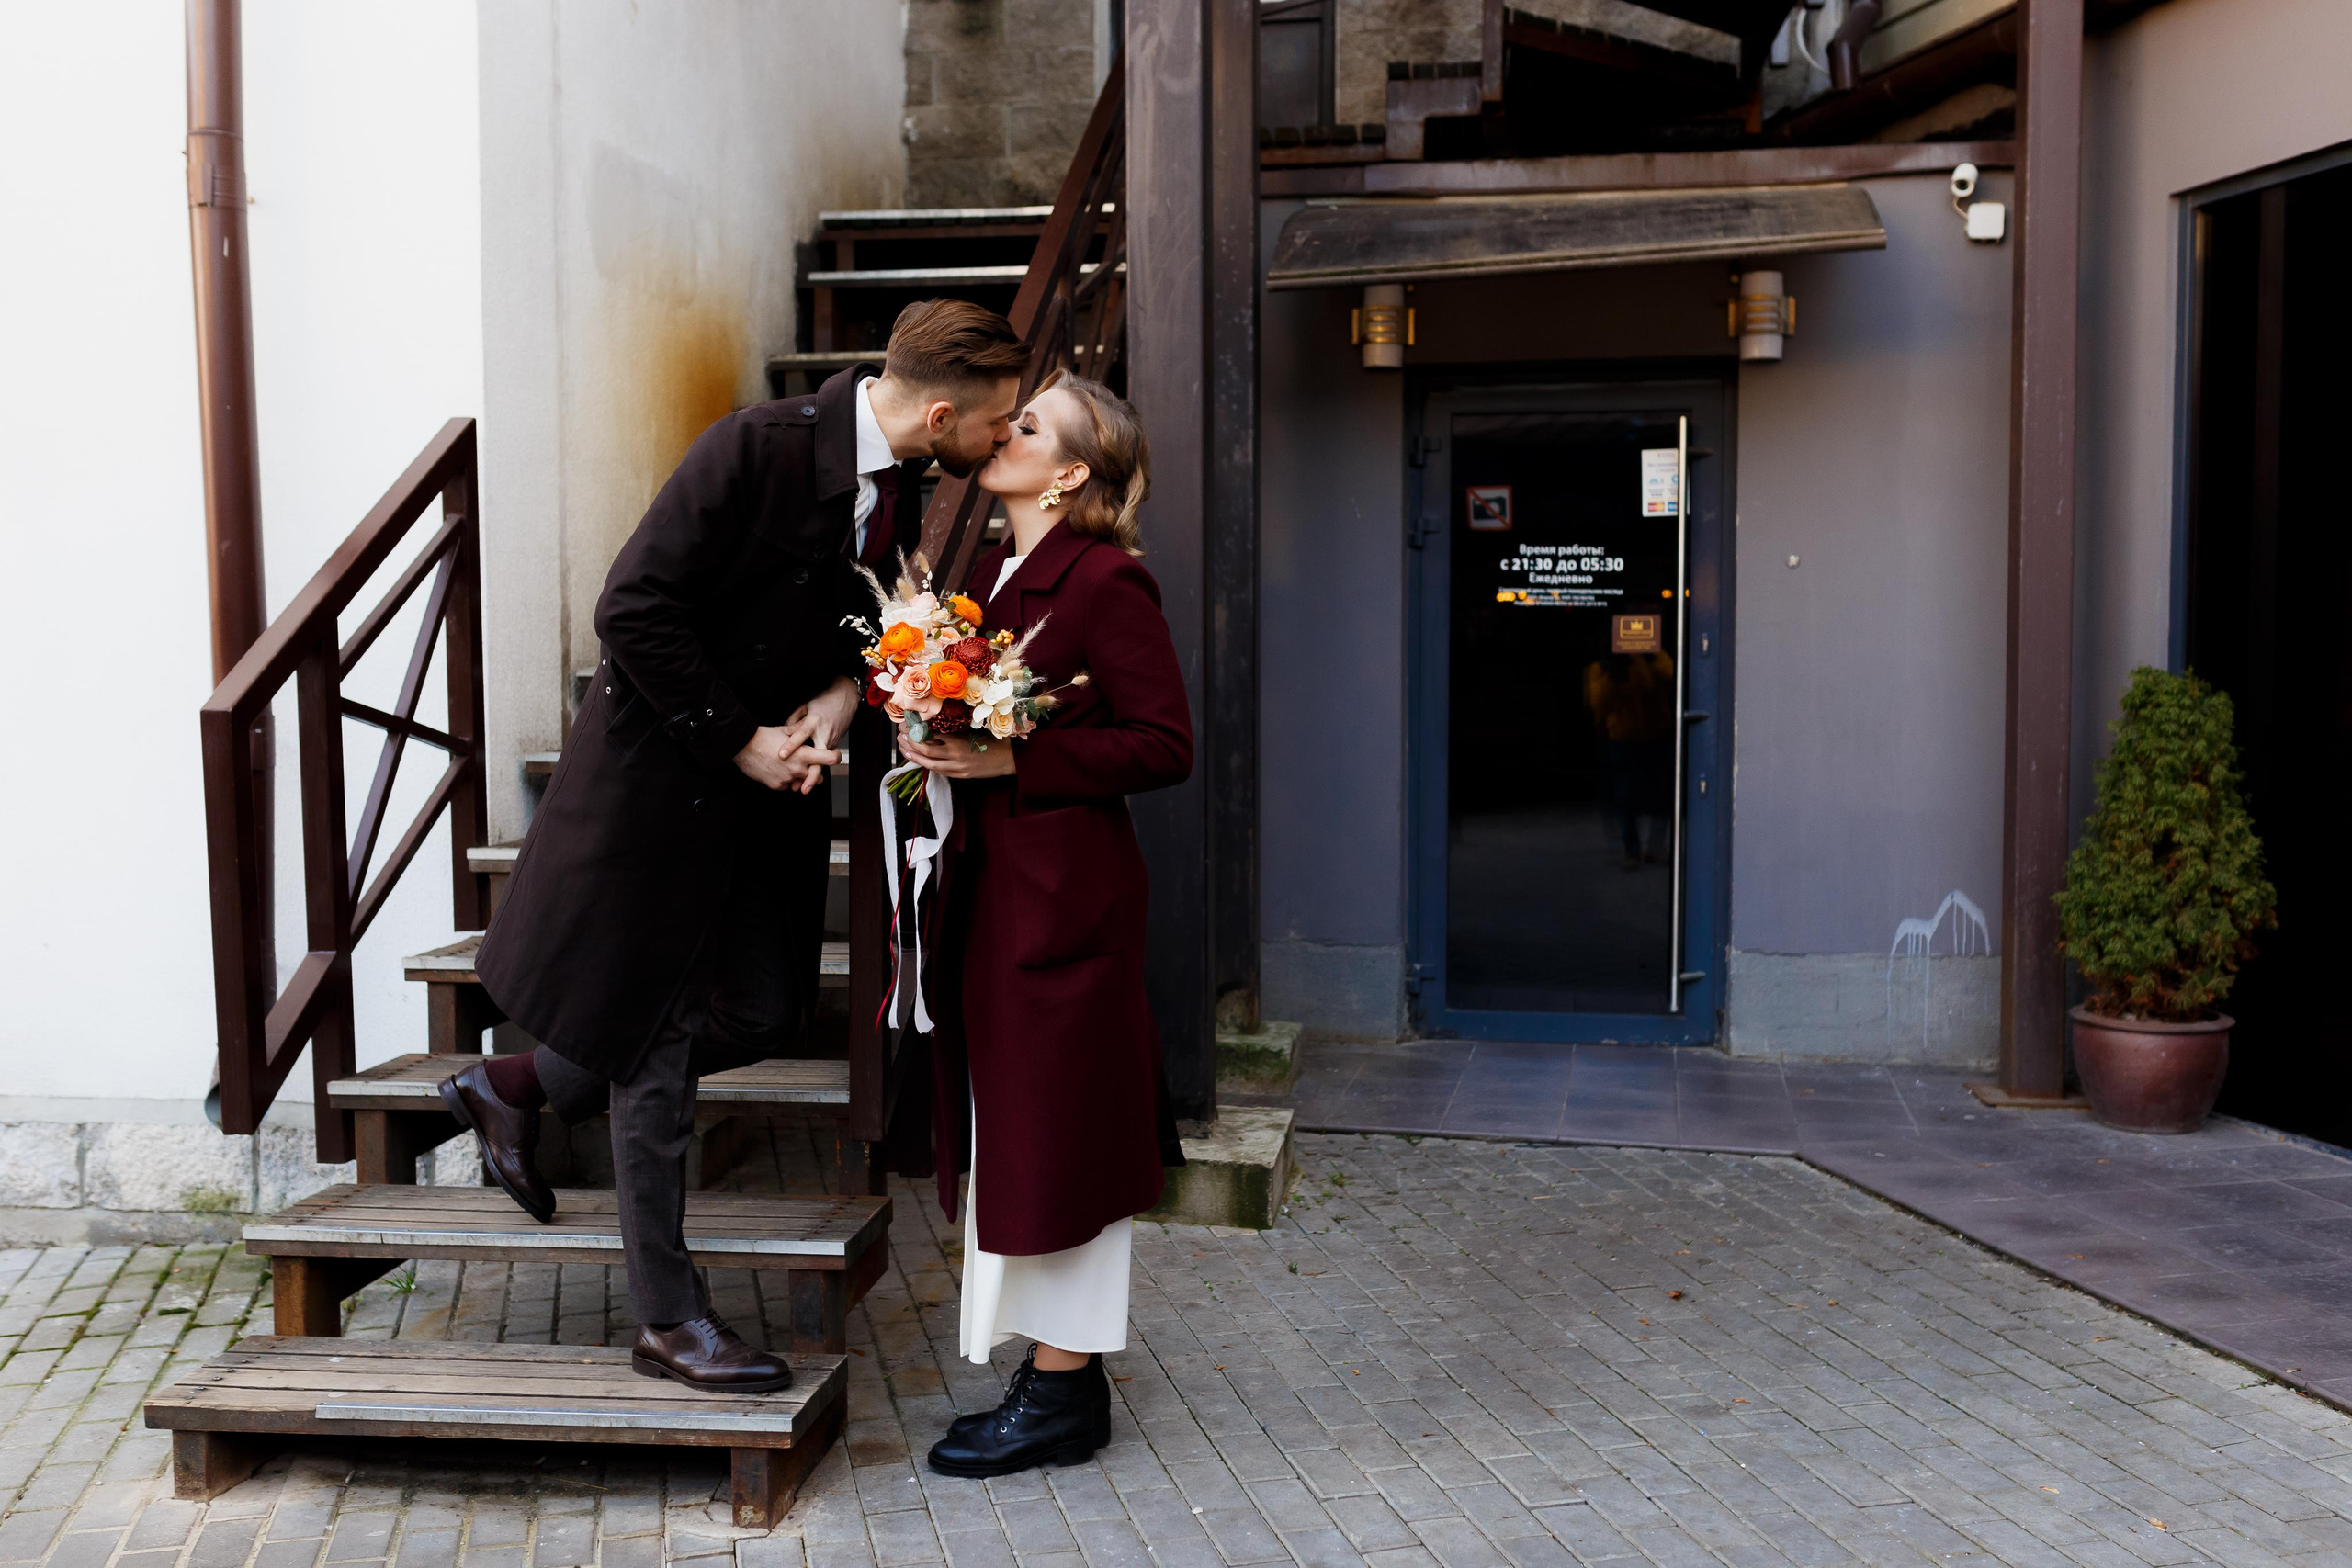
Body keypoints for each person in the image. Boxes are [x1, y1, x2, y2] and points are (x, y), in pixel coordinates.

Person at [449, 300, 1030, 1393]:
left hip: (769, 799)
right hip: (663, 789)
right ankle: (669, 1321)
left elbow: (850, 614)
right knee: (657, 1041)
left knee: (763, 1008)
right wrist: (739, 740)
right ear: (940, 415)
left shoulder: (900, 481)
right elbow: (632, 609)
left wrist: (844, 689)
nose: (1003, 440)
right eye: (996, 422)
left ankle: (517, 1082)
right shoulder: (750, 449)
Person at [895, 370, 1192, 1476]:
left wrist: (1019, 760)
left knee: (1065, 1139)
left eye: (1026, 427)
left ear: (1068, 473)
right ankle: (1058, 1380)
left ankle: (1063, 1392)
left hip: (1064, 910)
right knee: (1021, 1140)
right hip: (989, 893)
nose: (1002, 434)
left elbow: (1165, 743)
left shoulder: (1107, 580)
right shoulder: (986, 577)